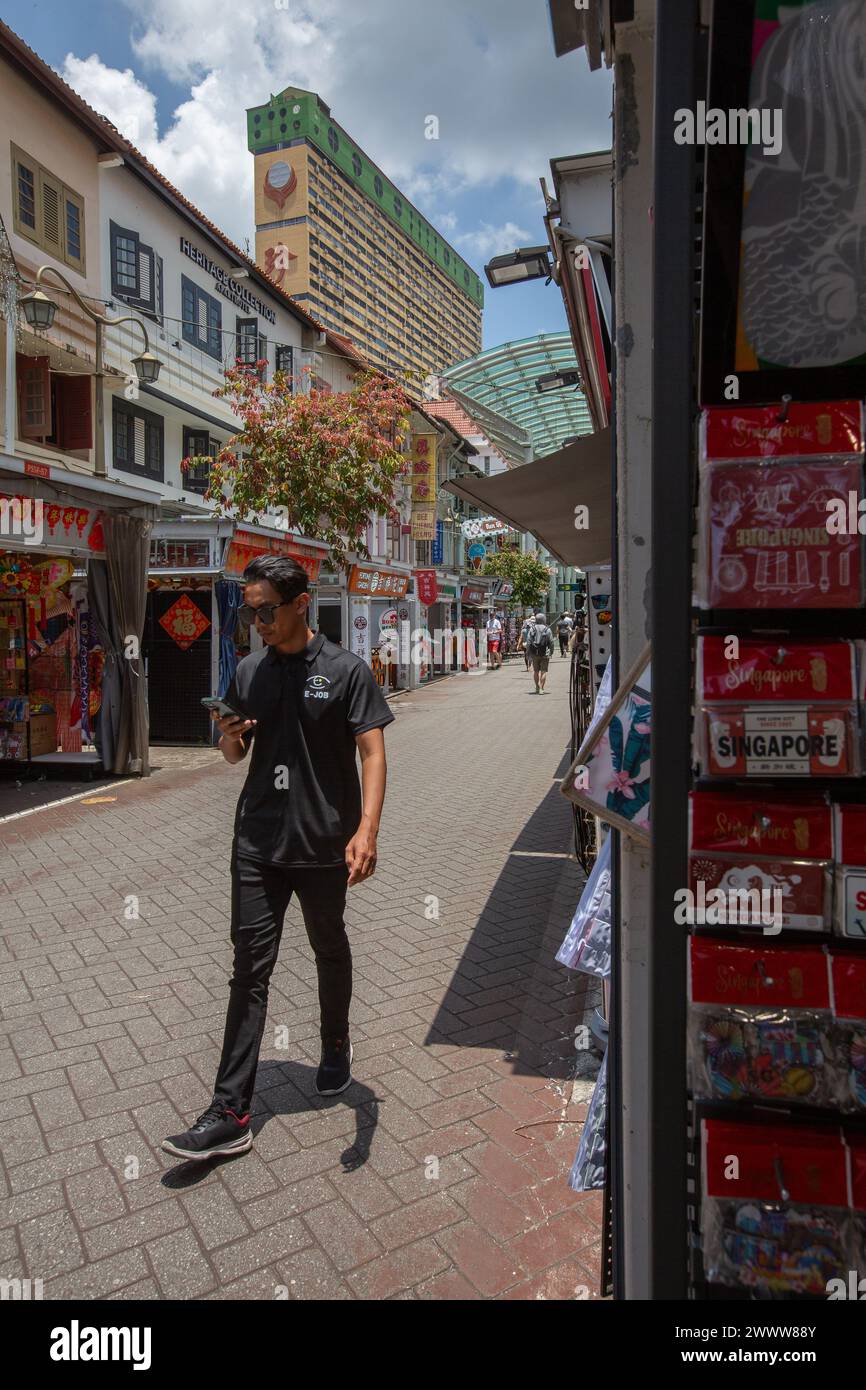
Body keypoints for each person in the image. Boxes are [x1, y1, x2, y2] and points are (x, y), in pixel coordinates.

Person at [162, 555, 394, 1162]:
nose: (257, 621)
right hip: (258, 841)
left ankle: (336, 1046)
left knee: (328, 945)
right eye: (249, 610)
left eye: (266, 610)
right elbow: (233, 754)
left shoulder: (346, 671)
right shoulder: (249, 669)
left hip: (323, 843)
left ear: (300, 604)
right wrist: (231, 737)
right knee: (250, 967)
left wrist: (367, 828)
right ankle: (230, 1110)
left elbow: (372, 752)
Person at [525, 612, 554, 693]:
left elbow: (528, 641)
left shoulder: (532, 629)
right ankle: (541, 688)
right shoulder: (547, 629)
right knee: (543, 671)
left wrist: (528, 652)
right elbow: (551, 642)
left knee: (536, 671)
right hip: (545, 653)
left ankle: (537, 687)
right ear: (544, 619)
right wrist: (551, 652)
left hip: (534, 653)